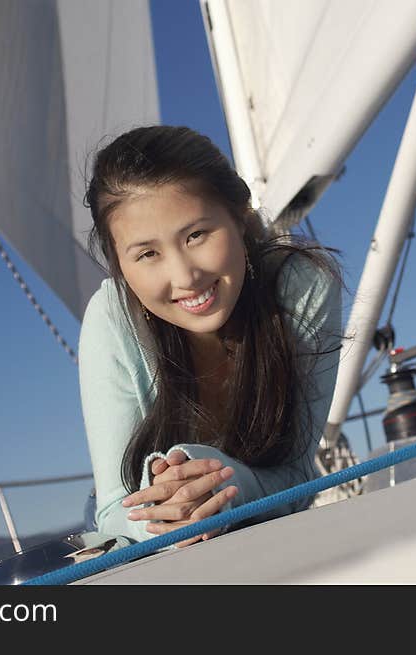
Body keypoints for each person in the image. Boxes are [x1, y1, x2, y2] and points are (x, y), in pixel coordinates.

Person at [78, 125, 342, 547]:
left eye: (196, 235)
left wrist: (221, 482)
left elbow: (296, 476)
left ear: (239, 215)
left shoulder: (301, 288)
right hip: (143, 536)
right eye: (147, 254)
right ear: (120, 267)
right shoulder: (111, 317)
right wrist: (170, 512)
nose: (185, 276)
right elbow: (113, 512)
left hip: (267, 526)